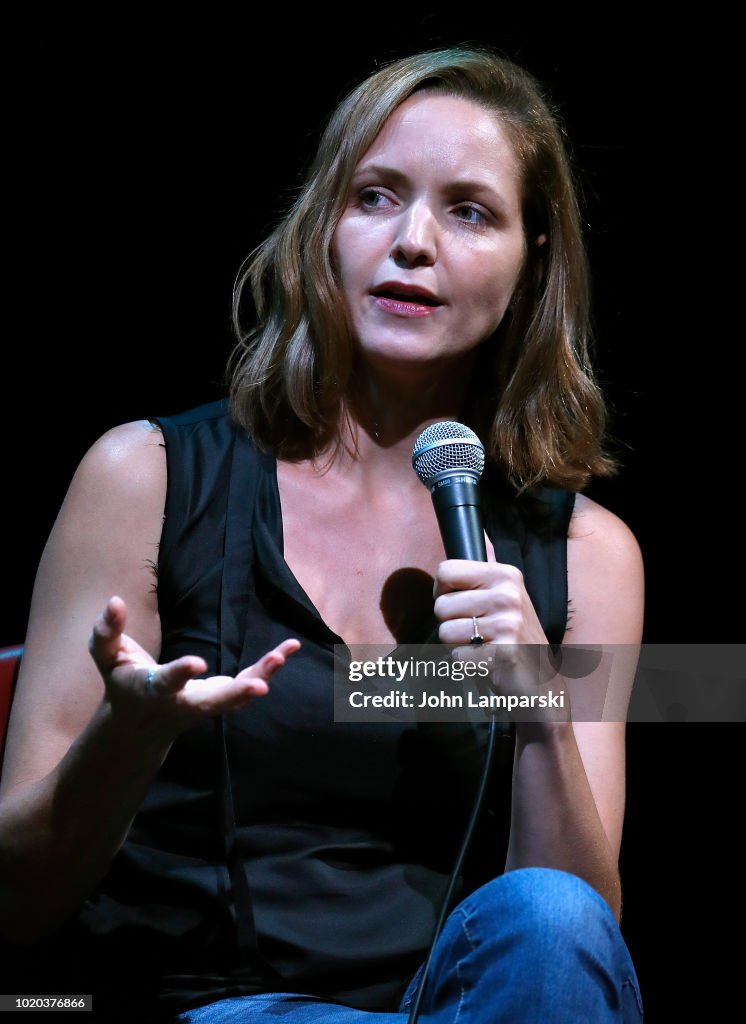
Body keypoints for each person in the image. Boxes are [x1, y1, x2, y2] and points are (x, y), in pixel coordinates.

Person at [0, 45, 644, 1022]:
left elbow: (578, 949)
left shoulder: (587, 556)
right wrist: (125, 740)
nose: (412, 242)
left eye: (467, 210)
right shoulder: (145, 476)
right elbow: (16, 901)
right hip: (213, 1002)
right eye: (375, 196)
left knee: (549, 920)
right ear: (321, 227)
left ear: (533, 255)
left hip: (456, 1003)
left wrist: (541, 707)